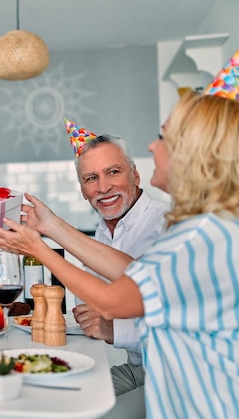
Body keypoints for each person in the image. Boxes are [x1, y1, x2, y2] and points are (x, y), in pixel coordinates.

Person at [0, 92, 239, 417]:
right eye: (91, 178)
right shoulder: (214, 225)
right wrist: (51, 227)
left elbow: (114, 299)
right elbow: (131, 271)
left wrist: (35, 248)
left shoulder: (200, 235)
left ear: (194, 154)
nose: (152, 146)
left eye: (163, 137)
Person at [65, 125, 169, 401]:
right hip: (137, 366)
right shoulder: (103, 231)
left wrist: (114, 329)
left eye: (113, 172)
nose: (103, 187)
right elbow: (89, 306)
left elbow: (175, 322)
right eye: (91, 178)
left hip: (169, 375)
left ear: (135, 174)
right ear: (82, 189)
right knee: (59, 397)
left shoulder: (166, 224)